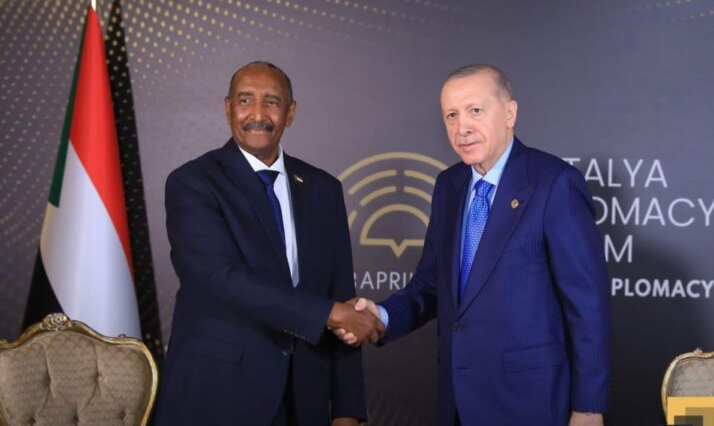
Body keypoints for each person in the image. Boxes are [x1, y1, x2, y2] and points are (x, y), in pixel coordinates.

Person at [337, 64, 611, 425]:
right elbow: (431, 284)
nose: (462, 127)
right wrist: (381, 316)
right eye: (451, 115)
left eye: (475, 111)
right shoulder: (448, 185)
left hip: (532, 404)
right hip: (456, 403)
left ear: (510, 113)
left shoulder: (554, 183)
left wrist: (589, 408)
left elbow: (587, 306)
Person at [156, 61, 384, 426]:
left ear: (290, 113)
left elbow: (342, 295)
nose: (258, 114)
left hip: (305, 400)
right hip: (219, 397)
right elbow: (222, 278)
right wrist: (329, 313)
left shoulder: (324, 189)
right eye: (245, 100)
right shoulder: (193, 183)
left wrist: (347, 409)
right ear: (228, 107)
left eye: (272, 102)